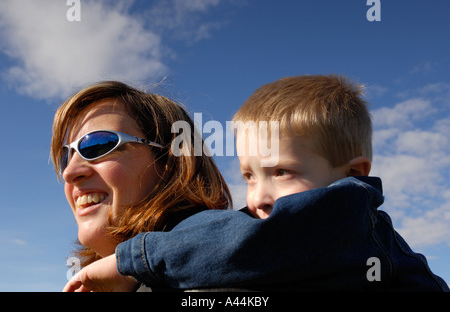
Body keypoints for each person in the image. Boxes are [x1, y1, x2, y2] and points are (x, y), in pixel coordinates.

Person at [63, 75, 449, 292]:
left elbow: (257, 244)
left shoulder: (349, 217)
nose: (258, 197)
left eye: (98, 145)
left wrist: (134, 262)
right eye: (248, 175)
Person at [51, 81, 232, 292]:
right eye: (67, 156)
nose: (69, 173)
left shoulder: (220, 277)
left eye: (97, 145)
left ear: (171, 162)